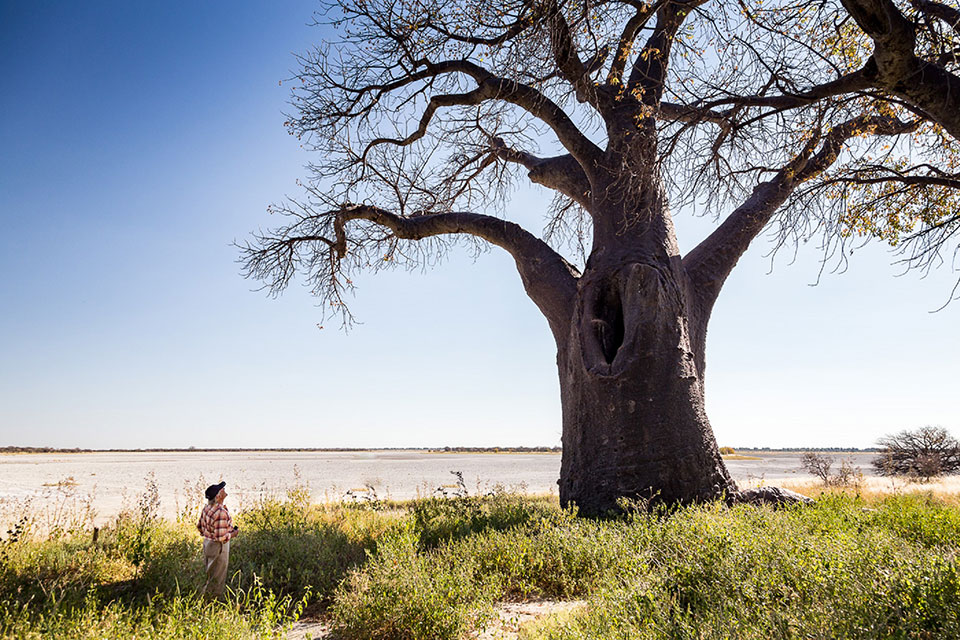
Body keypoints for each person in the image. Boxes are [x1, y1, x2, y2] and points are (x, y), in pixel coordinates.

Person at [196, 481, 238, 597]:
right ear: (218, 496)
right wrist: (233, 534)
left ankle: (206, 598)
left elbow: (199, 526)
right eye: (222, 490)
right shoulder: (220, 512)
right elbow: (221, 538)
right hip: (218, 546)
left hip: (207, 543)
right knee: (218, 577)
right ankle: (213, 601)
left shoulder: (207, 508)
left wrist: (208, 534)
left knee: (210, 573)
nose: (224, 490)